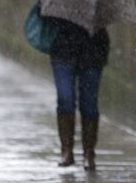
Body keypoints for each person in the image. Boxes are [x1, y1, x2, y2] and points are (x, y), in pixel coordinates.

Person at [45, 15, 110, 171]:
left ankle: (89, 153)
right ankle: (66, 151)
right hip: (63, 51)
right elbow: (44, 14)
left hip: (93, 52)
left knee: (89, 103)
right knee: (65, 98)